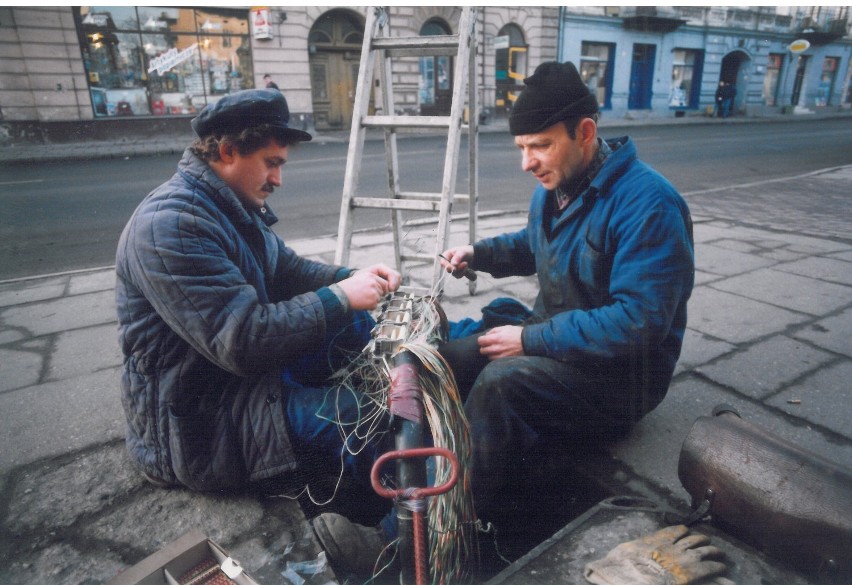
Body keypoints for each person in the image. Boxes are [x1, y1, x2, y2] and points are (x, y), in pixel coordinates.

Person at [115, 89, 401, 575]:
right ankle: (394, 543)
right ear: (227, 151)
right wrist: (341, 295)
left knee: (353, 321)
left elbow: (288, 270)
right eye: (271, 163)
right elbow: (243, 340)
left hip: (238, 383)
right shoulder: (170, 225)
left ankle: (389, 396)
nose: (278, 178)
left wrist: (354, 278)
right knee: (367, 419)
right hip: (202, 418)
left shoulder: (227, 203)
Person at [437, 61, 694, 521]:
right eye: (522, 147)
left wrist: (530, 340)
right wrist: (478, 253)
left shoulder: (651, 204)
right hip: (561, 346)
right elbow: (533, 244)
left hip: (622, 382)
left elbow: (638, 324)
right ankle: (440, 458)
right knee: (453, 358)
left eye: (541, 145)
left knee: (500, 383)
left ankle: (448, 519)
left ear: (586, 132)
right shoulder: (557, 186)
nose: (527, 162)